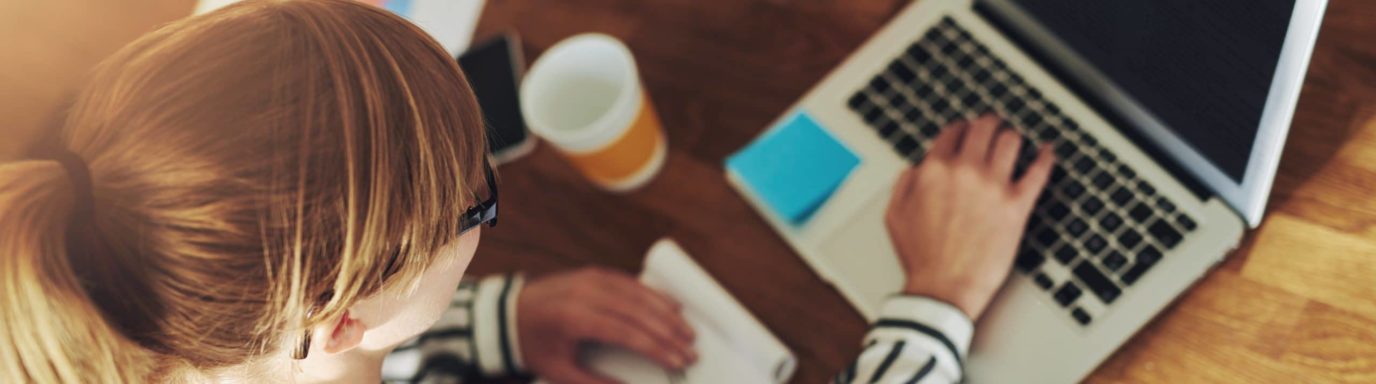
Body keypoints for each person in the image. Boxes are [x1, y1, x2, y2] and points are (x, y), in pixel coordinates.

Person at [0, 1, 1053, 383]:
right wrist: (939, 298)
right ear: (334, 322)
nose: (485, 208)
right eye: (480, 210)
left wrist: (494, 324)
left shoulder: (182, 323)